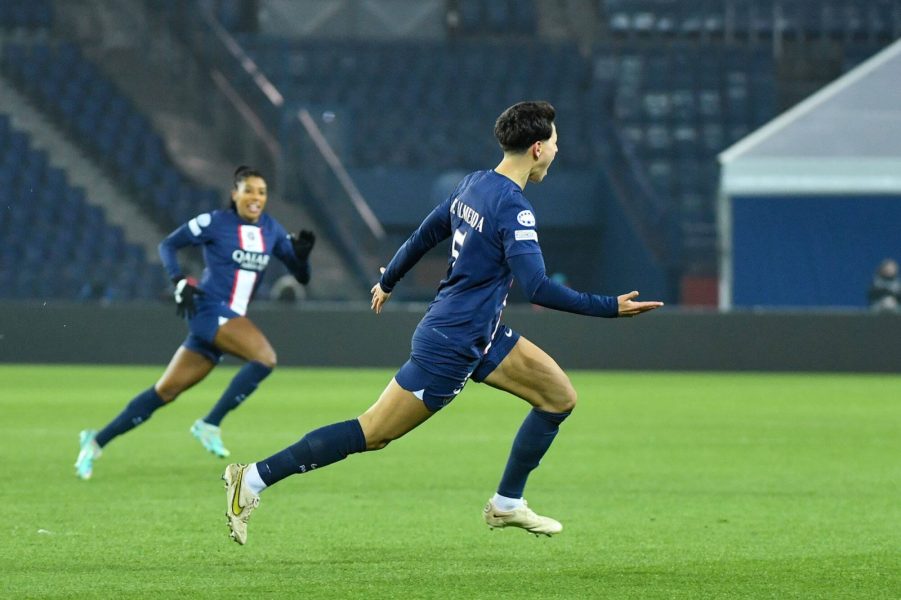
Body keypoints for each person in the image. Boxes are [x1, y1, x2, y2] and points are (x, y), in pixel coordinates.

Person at [221, 101, 663, 545]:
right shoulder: (515, 209)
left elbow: (426, 232)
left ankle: (507, 504)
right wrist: (609, 307)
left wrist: (389, 279)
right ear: (536, 149)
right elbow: (540, 288)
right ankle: (253, 479)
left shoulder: (473, 184)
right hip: (452, 343)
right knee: (372, 433)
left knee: (558, 398)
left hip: (480, 334)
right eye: (554, 143)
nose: (556, 151)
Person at [74, 166, 315, 480]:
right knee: (265, 358)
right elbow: (168, 245)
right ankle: (209, 423)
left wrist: (303, 257)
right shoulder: (216, 222)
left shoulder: (271, 229)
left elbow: (301, 276)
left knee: (166, 391)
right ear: (235, 194)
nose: (256, 197)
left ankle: (95, 441)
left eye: (261, 192)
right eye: (249, 190)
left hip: (229, 319)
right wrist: (178, 281)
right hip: (209, 308)